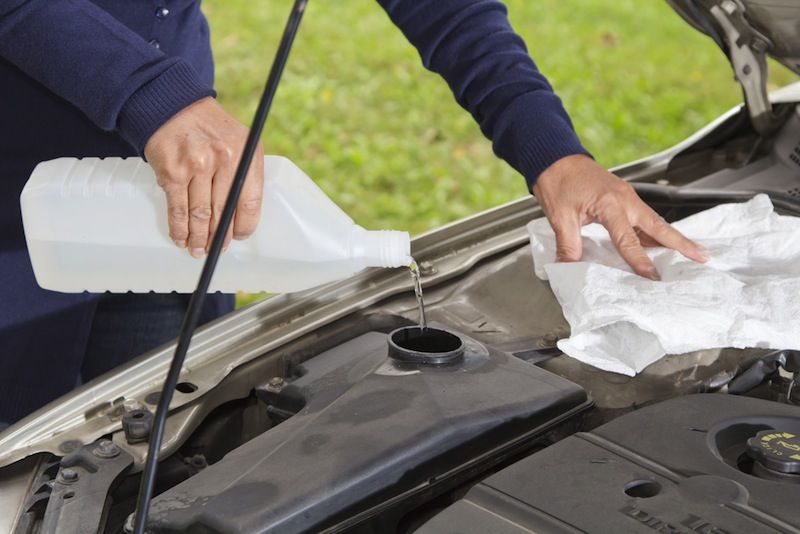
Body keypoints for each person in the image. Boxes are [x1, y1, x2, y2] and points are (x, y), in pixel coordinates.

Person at [0, 0, 707, 426]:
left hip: (178, 196)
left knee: (163, 447)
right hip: (25, 203)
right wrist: (151, 93)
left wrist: (554, 152)